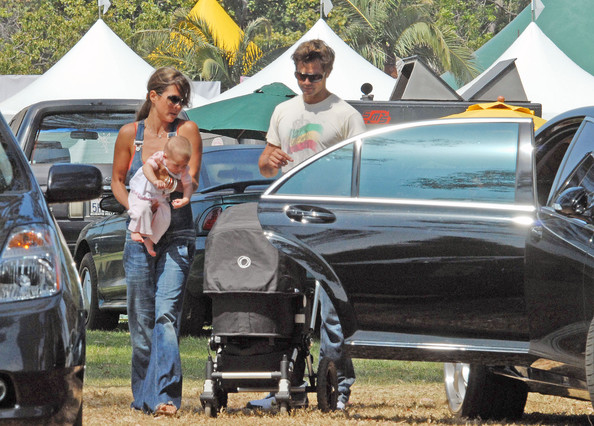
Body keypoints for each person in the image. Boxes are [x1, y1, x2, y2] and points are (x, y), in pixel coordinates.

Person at [252, 39, 367, 411]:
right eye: (301, 76)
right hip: (287, 221)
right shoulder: (283, 111)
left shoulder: (346, 115)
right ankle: (286, 383)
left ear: (327, 72)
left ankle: (337, 387)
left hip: (331, 223)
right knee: (284, 306)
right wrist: (269, 159)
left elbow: (359, 172)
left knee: (333, 311)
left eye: (313, 77)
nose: (306, 82)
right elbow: (266, 167)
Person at [111, 67, 202, 417]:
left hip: (177, 232)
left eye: (182, 100)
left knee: (166, 314)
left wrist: (171, 187)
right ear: (153, 96)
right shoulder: (129, 135)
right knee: (141, 318)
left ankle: (164, 396)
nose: (178, 106)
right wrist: (135, 206)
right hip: (139, 235)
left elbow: (190, 177)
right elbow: (118, 180)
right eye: (173, 98)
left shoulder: (187, 131)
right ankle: (144, 395)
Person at [128, 135, 193, 257]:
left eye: (183, 165)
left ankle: (150, 241)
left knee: (165, 218)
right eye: (177, 165)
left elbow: (188, 185)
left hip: (160, 196)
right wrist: (154, 180)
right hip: (143, 190)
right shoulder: (159, 158)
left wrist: (185, 199)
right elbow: (147, 167)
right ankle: (135, 231)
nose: (180, 169)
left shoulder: (183, 168)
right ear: (165, 157)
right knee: (142, 209)